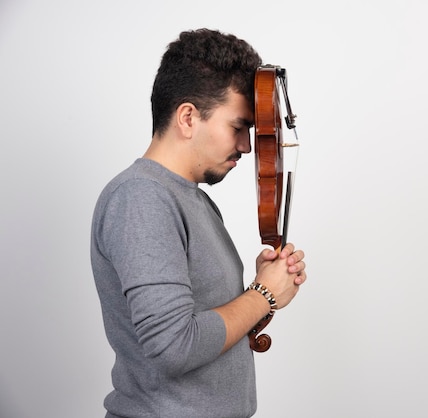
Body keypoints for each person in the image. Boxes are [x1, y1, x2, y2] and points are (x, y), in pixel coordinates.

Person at [90, 28, 307, 418]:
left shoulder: (192, 200)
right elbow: (175, 348)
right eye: (238, 127)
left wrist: (263, 298)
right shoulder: (141, 198)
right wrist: (262, 294)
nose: (246, 146)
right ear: (188, 117)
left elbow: (205, 329)